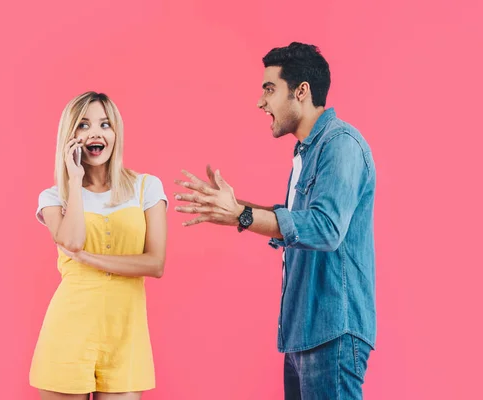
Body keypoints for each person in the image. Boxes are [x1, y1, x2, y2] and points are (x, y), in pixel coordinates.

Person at [174, 42, 376, 399]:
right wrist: (235, 209)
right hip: (303, 334)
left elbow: (325, 229)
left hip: (333, 333)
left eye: (270, 89)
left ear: (301, 92)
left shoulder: (340, 144)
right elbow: (298, 223)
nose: (261, 101)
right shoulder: (306, 153)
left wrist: (243, 215)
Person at [30, 91, 168, 400]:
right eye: (83, 125)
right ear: (71, 136)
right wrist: (75, 180)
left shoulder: (146, 187)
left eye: (105, 124)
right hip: (68, 329)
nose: (95, 132)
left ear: (116, 132)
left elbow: (154, 264)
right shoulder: (54, 197)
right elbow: (72, 239)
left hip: (125, 334)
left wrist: (87, 258)